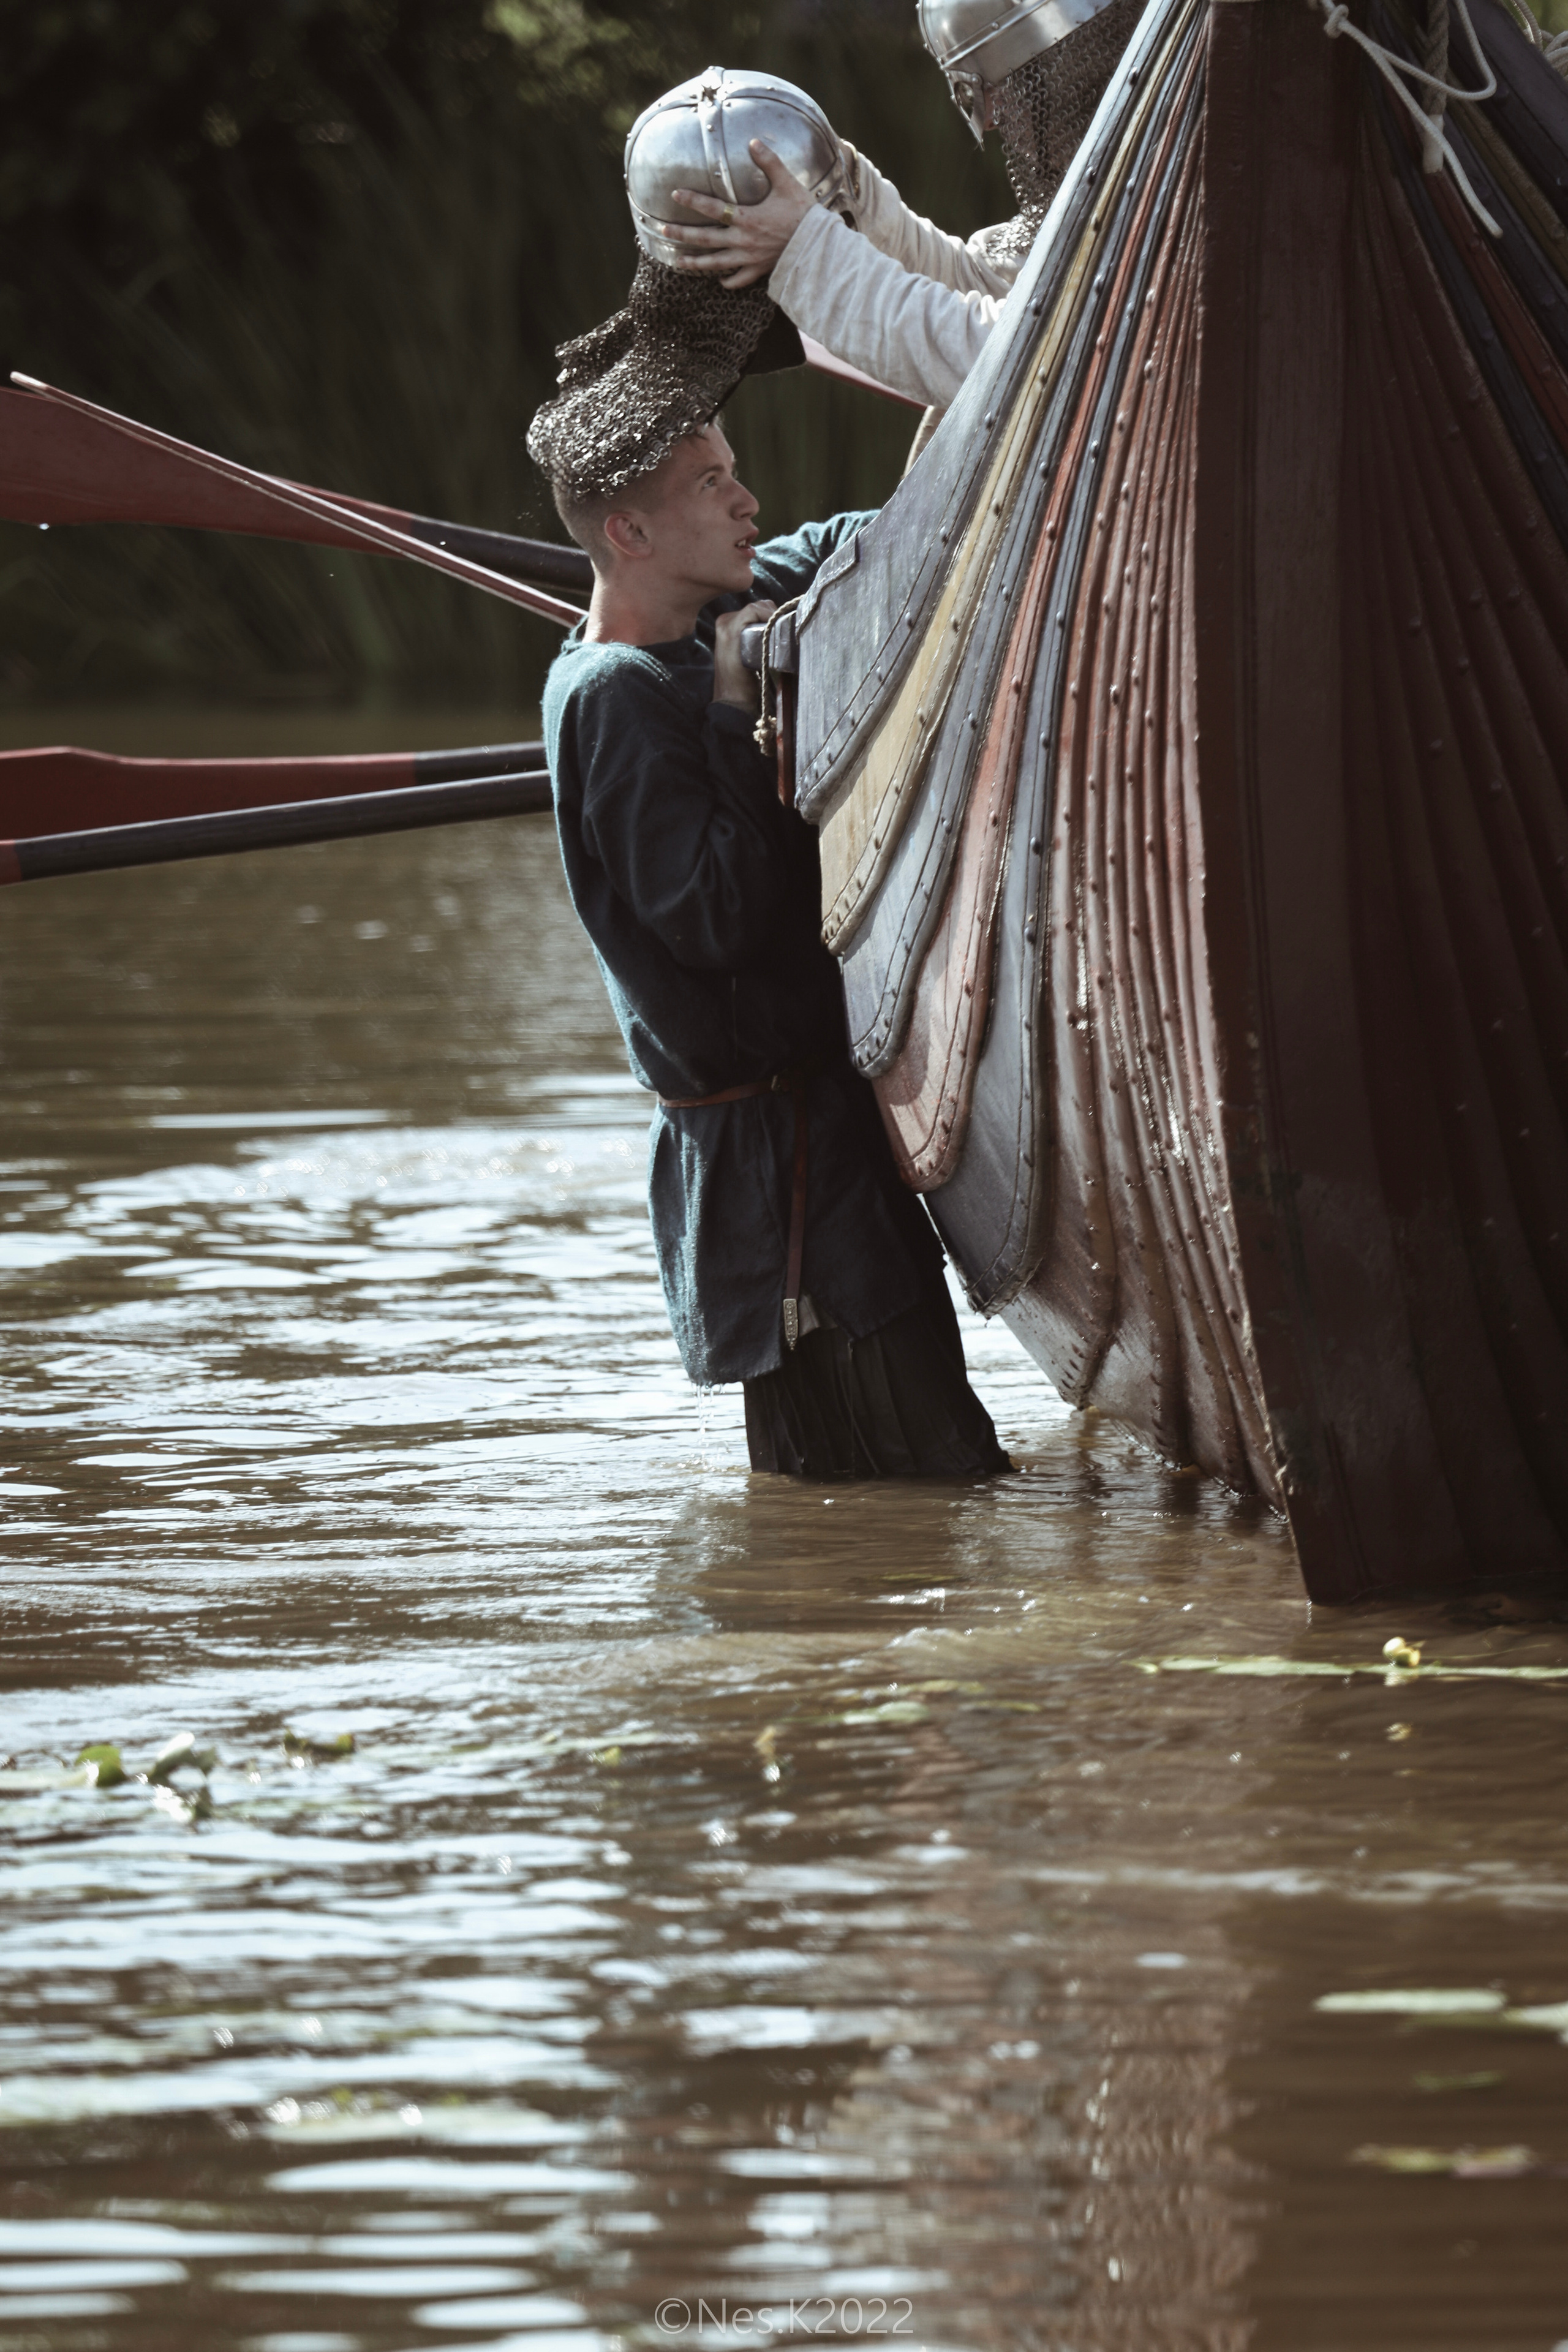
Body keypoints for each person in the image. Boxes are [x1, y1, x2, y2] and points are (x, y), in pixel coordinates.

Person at [528, 407, 1009, 1482]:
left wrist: (972, 459)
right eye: (711, 485)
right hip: (780, 1187)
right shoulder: (613, 695)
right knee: (927, 1489)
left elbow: (837, 542)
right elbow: (720, 917)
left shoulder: (707, 607)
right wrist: (735, 697)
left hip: (823, 1147)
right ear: (630, 534)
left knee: (886, 1501)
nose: (746, 501)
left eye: (734, 471)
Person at [660, 0, 1142, 415]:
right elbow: (995, 289)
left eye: (1009, 84)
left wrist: (806, 251)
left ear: (1079, 66)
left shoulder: (1168, 194)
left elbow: (1033, 355)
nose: (993, 118)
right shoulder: (1124, 184)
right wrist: (841, 183)